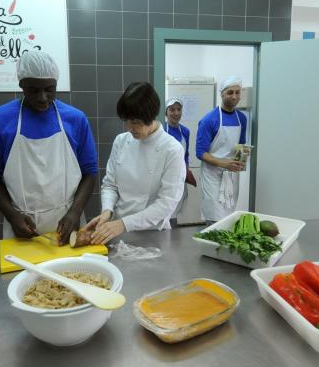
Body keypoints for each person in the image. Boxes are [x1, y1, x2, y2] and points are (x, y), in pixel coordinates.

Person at [0, 50, 98, 243]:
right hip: (21, 223)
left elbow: (90, 171)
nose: (43, 97)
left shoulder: (75, 119)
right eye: (33, 90)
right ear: (21, 85)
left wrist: (75, 212)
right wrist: (12, 216)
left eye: (49, 89)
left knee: (74, 273)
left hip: (67, 221)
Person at [85, 82, 186, 244]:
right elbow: (110, 185)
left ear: (151, 115)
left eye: (136, 122)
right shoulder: (121, 141)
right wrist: (107, 211)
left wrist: (123, 224)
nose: (130, 127)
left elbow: (166, 203)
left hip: (152, 235)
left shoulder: (172, 149)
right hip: (116, 231)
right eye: (127, 121)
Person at [196, 76, 247, 225]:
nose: (234, 96)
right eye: (230, 92)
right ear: (222, 94)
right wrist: (223, 163)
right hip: (212, 176)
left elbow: (241, 145)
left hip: (231, 176)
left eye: (237, 92)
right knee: (214, 218)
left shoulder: (242, 119)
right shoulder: (209, 120)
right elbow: (200, 153)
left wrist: (241, 160)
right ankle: (212, 248)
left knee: (228, 217)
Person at [163, 97, 197, 226]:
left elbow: (186, 154)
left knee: (176, 209)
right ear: (166, 112)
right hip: (164, 177)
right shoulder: (161, 130)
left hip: (180, 177)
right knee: (164, 209)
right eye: (172, 110)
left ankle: (172, 235)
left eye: (179, 109)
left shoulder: (185, 131)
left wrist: (186, 171)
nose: (176, 113)